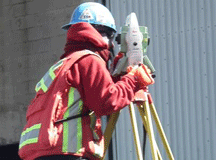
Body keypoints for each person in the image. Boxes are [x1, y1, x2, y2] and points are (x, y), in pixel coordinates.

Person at [18, 2, 153, 160]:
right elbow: (106, 101)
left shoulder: (66, 63)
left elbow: (92, 92)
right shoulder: (89, 60)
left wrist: (118, 76)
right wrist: (134, 79)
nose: (111, 45)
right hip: (68, 153)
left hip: (44, 152)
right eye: (112, 39)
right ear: (103, 34)